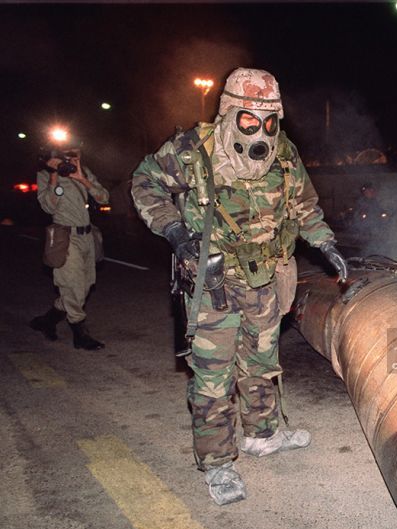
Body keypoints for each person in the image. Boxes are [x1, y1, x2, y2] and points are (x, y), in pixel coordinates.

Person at [131, 68, 348, 505]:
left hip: (265, 280)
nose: (260, 131)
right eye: (249, 120)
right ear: (230, 112)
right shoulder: (193, 150)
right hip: (213, 284)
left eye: (269, 121)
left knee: (261, 363)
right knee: (214, 377)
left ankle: (262, 435)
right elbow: (144, 182)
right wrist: (174, 230)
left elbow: (303, 204)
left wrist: (324, 242)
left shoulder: (283, 153)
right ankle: (217, 463)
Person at [30, 144, 108, 350]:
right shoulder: (45, 174)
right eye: (69, 154)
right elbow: (48, 206)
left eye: (77, 153)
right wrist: (54, 174)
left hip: (87, 236)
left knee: (85, 286)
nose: (74, 157)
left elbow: (104, 198)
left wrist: (82, 179)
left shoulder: (84, 172)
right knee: (72, 285)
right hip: (65, 237)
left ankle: (47, 321)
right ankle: (80, 334)